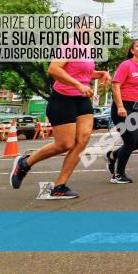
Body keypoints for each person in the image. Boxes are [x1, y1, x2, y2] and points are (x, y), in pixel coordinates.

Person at [10, 16, 111, 198]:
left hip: (82, 100)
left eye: (93, 27)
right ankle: (25, 163)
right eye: (86, 26)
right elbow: (54, 69)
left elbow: (84, 73)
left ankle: (60, 186)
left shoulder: (89, 48)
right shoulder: (69, 44)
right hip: (63, 99)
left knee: (82, 140)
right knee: (64, 144)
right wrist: (77, 85)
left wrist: (101, 73)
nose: (90, 29)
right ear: (77, 28)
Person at [106, 39, 138, 183]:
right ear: (132, 50)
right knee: (131, 140)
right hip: (124, 106)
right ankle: (118, 175)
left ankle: (113, 155)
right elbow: (115, 86)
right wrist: (120, 106)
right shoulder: (126, 65)